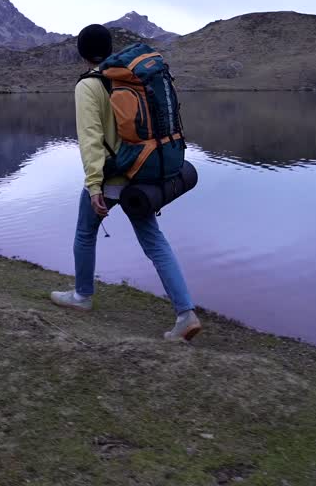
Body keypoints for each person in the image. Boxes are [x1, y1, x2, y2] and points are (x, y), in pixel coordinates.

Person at [49, 24, 202, 341]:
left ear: (82, 54)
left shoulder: (88, 87)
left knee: (84, 232)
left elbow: (90, 141)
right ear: (110, 49)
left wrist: (94, 187)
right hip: (141, 176)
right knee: (155, 243)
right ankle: (185, 313)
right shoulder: (132, 79)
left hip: (109, 178)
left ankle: (81, 296)